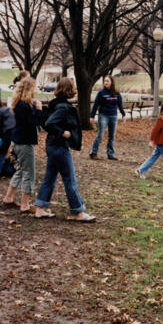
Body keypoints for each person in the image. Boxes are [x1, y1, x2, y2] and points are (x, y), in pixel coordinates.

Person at [34, 77, 96, 222]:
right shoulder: (63, 107)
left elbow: (45, 123)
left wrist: (40, 111)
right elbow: (50, 123)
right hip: (59, 146)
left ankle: (40, 209)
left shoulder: (55, 104)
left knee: (50, 177)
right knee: (69, 179)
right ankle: (78, 212)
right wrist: (63, 132)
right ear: (69, 89)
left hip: (52, 145)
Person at [3, 77, 43, 212]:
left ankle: (8, 197)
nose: (36, 89)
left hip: (18, 142)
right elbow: (33, 122)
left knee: (20, 170)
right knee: (29, 173)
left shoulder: (20, 104)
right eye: (35, 87)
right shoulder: (24, 106)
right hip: (25, 143)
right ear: (29, 89)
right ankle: (25, 204)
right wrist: (39, 110)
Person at [89, 75, 126, 160]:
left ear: (111, 82)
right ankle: (93, 152)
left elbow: (120, 105)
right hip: (103, 116)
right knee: (100, 134)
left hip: (113, 116)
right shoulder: (101, 93)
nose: (106, 82)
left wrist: (123, 114)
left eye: (107, 81)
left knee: (111, 136)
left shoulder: (117, 93)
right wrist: (92, 116)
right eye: (105, 81)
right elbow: (96, 105)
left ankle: (110, 154)